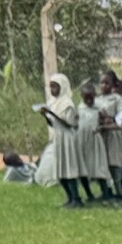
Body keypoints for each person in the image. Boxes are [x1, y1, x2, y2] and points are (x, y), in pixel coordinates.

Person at [39, 72, 92, 207]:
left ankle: (76, 199)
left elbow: (70, 124)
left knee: (69, 168)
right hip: (58, 137)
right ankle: (69, 197)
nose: (52, 90)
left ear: (62, 87)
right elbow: (52, 124)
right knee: (60, 169)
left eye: (55, 87)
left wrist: (52, 114)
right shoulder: (52, 102)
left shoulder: (67, 104)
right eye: (51, 87)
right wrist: (45, 116)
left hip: (67, 138)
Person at [95, 71, 122, 197]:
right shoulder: (97, 100)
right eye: (101, 83)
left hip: (113, 136)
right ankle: (106, 192)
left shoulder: (118, 100)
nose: (104, 86)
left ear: (113, 84)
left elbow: (121, 119)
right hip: (100, 136)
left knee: (115, 165)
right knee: (102, 164)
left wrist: (109, 118)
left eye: (107, 83)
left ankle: (121, 193)